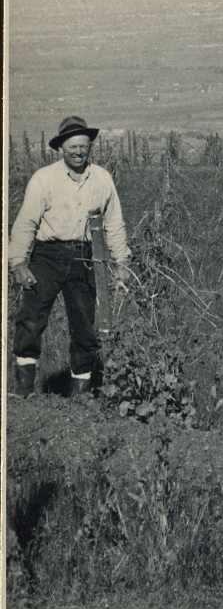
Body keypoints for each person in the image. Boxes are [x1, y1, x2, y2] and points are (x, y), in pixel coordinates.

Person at [8, 116, 131, 398]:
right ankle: (23, 389)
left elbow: (114, 223)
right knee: (31, 318)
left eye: (83, 147)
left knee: (84, 326)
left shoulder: (102, 179)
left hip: (84, 258)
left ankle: (81, 396)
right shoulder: (44, 178)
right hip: (47, 256)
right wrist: (18, 263)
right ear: (61, 147)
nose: (78, 152)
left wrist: (121, 262)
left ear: (90, 148)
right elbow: (26, 222)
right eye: (73, 147)